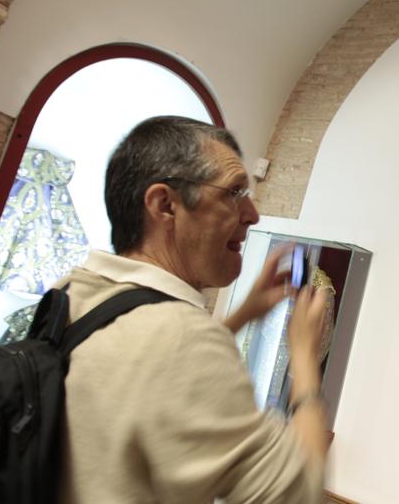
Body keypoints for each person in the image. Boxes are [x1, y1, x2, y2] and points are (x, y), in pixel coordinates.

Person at [55, 115, 329, 503]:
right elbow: (298, 493)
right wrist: (303, 359)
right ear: (165, 205)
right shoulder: (181, 337)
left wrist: (243, 315)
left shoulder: (73, 290)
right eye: (234, 192)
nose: (252, 214)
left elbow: (149, 364)